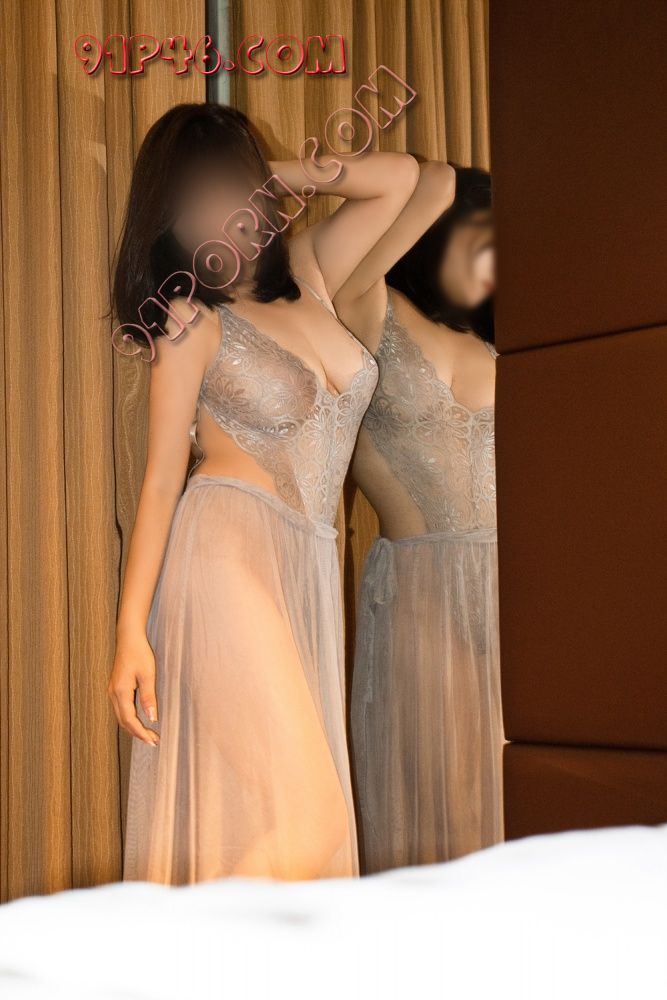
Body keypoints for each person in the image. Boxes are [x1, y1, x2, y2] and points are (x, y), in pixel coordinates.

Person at [107, 101, 421, 884]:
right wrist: (130, 631)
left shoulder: (310, 273)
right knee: (312, 820)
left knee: (288, 823)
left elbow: (398, 181)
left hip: (304, 563)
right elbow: (159, 481)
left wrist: (268, 175)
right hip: (226, 558)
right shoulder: (188, 316)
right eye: (195, 198)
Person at [333, 166, 503, 872]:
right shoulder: (369, 305)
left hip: (515, 590)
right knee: (433, 795)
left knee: (512, 788)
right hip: (421, 588)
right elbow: (421, 181)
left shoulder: (499, 342)